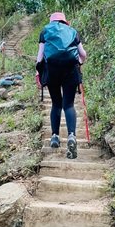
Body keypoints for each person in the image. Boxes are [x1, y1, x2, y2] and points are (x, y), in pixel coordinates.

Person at [35, 12, 87, 159]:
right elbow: (82, 53)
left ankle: (55, 136)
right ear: (65, 21)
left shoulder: (45, 31)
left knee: (56, 104)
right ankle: (71, 136)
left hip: (52, 72)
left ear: (51, 21)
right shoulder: (73, 31)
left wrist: (38, 73)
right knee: (69, 105)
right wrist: (80, 63)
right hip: (70, 70)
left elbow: (40, 56)